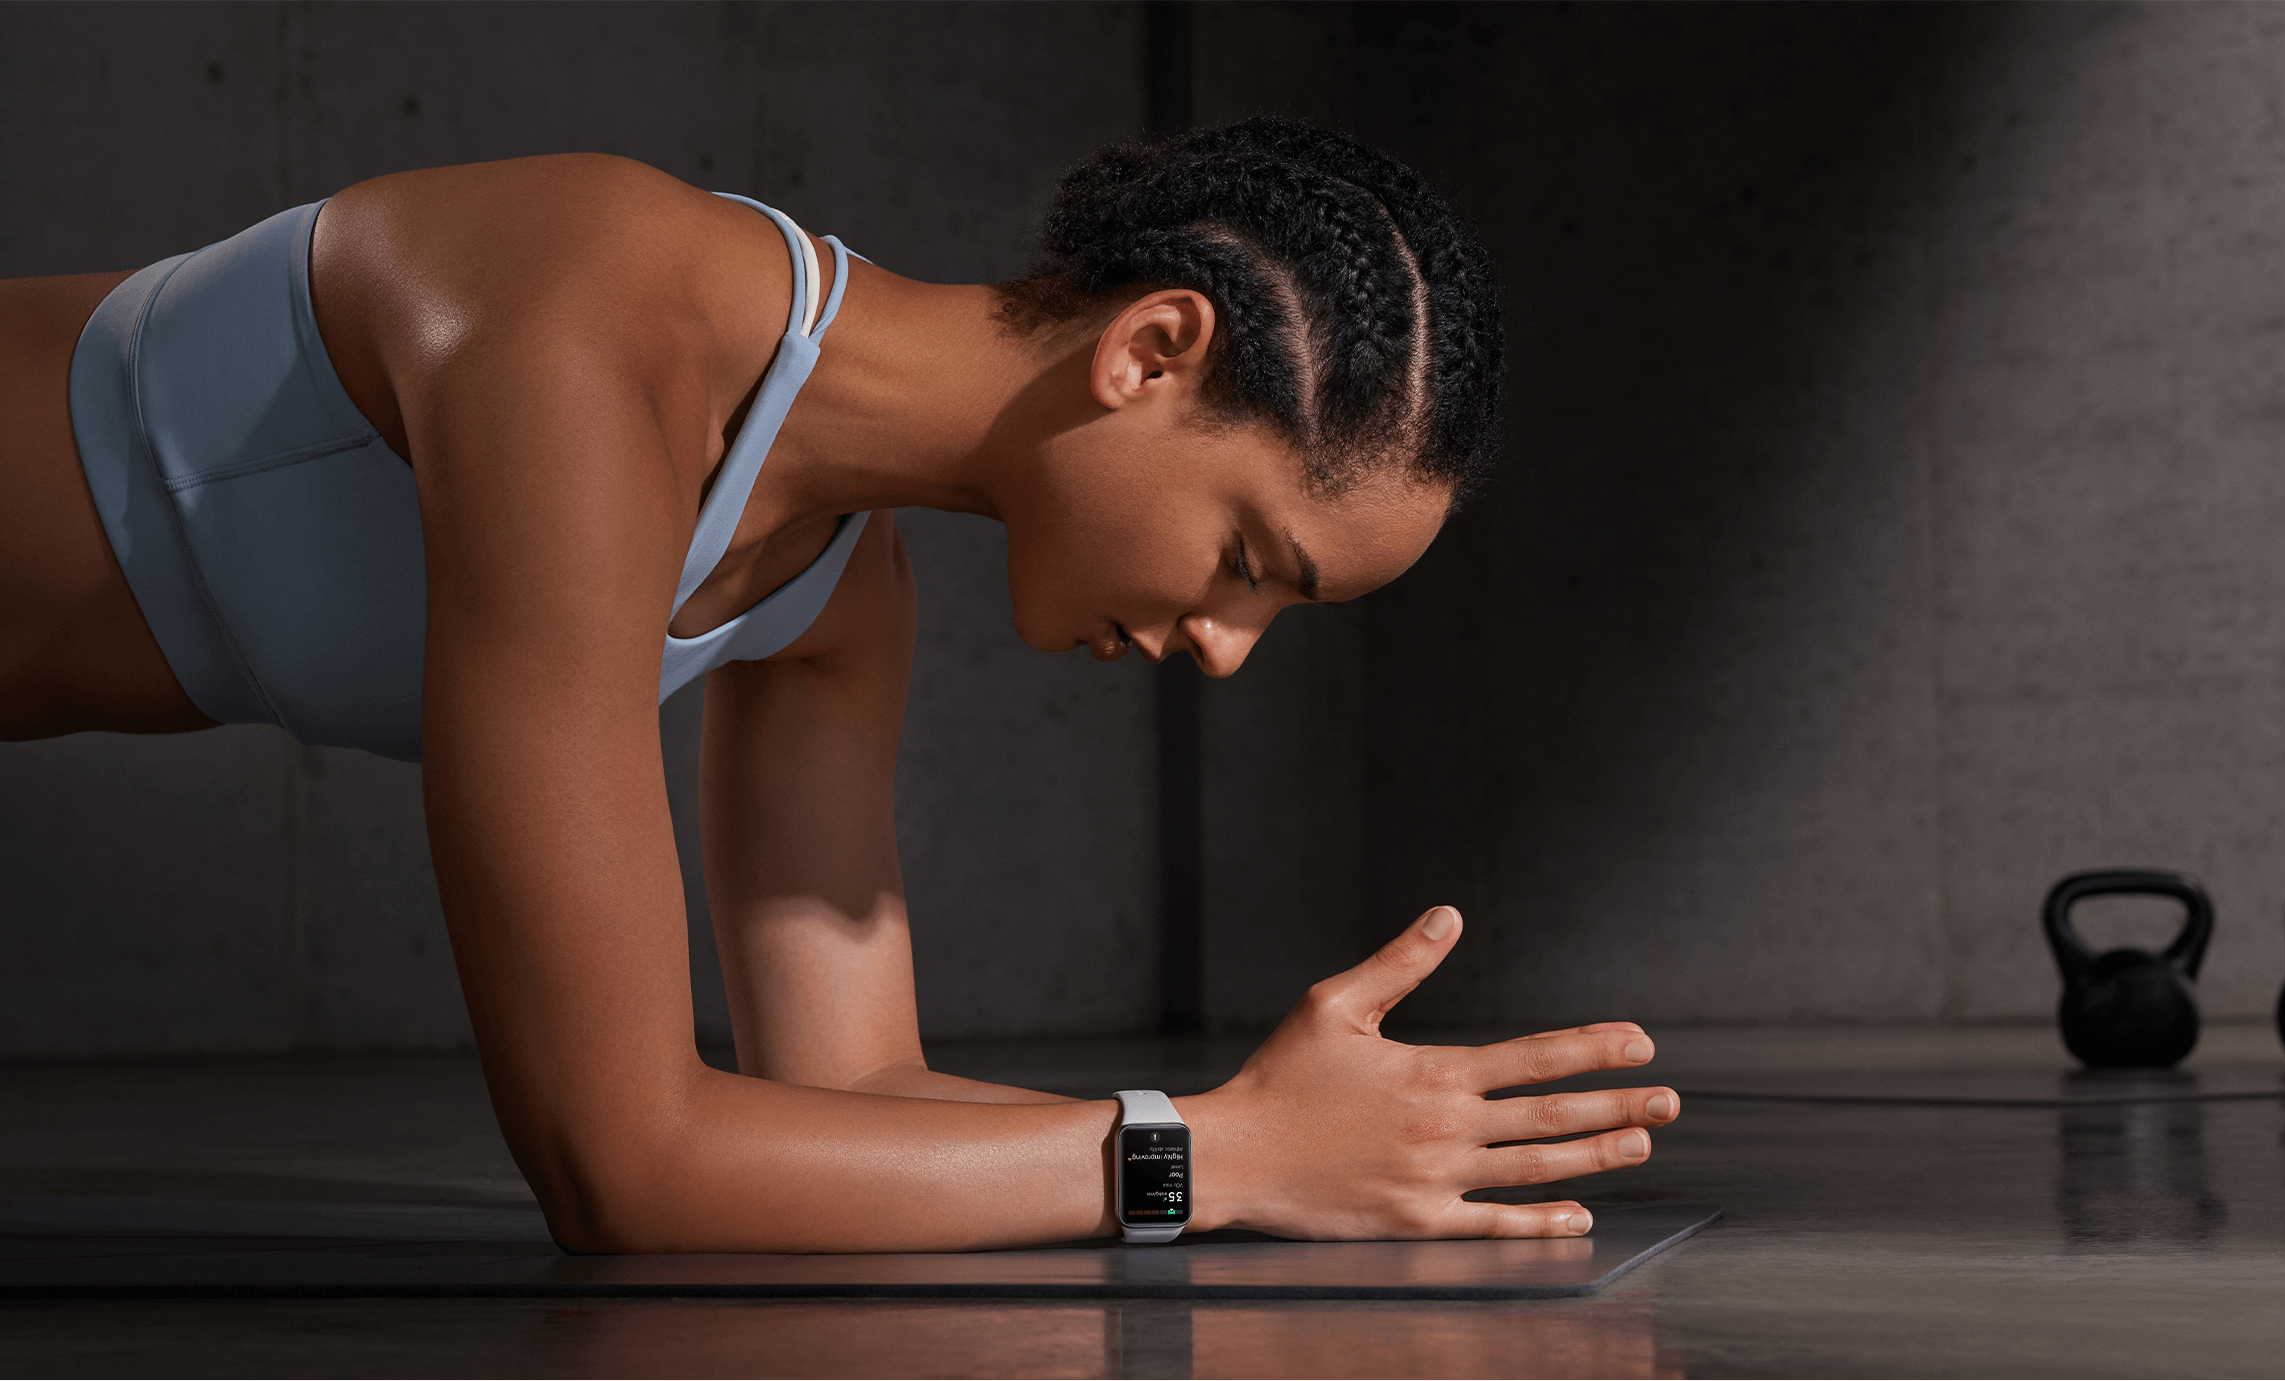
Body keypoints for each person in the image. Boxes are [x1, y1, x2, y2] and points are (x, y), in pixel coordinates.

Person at [0, 117, 1679, 1252]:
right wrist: (1215, 1158)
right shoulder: (602, 323)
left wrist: (1286, 1137)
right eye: (1251, 563)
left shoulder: (834, 595)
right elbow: (625, 1164)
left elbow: (845, 1094)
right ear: (1150, 353)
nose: (1224, 650)